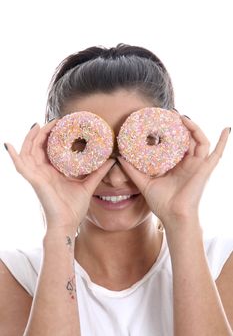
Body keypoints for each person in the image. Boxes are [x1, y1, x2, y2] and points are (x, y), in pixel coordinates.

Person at [0, 44, 233, 336]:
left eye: (133, 148)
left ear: (175, 145)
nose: (115, 178)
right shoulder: (14, 274)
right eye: (85, 146)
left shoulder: (221, 264)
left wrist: (182, 218)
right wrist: (59, 227)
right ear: (50, 152)